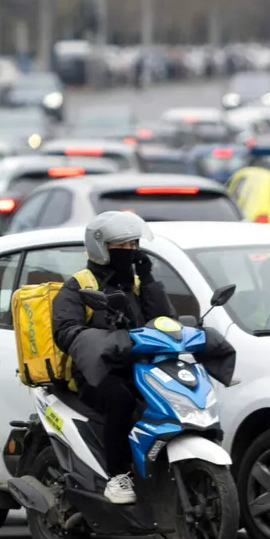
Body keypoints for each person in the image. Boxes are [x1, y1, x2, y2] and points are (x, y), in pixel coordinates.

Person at [51, 211, 176, 505]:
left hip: (139, 365)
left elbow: (163, 320)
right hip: (95, 371)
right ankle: (117, 475)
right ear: (101, 247)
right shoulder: (80, 285)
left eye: (135, 245)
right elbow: (66, 331)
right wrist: (108, 340)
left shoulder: (133, 282)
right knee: (120, 400)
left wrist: (148, 280)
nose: (131, 251)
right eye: (124, 246)